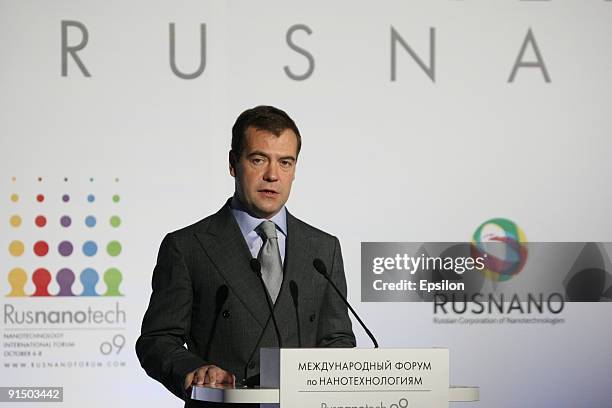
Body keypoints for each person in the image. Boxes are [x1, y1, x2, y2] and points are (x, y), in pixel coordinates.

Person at [136, 105, 356, 407]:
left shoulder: (322, 248)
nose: (272, 175)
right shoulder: (187, 246)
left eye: (285, 163)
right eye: (258, 159)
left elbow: (338, 339)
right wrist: (195, 372)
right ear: (232, 163)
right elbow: (157, 340)